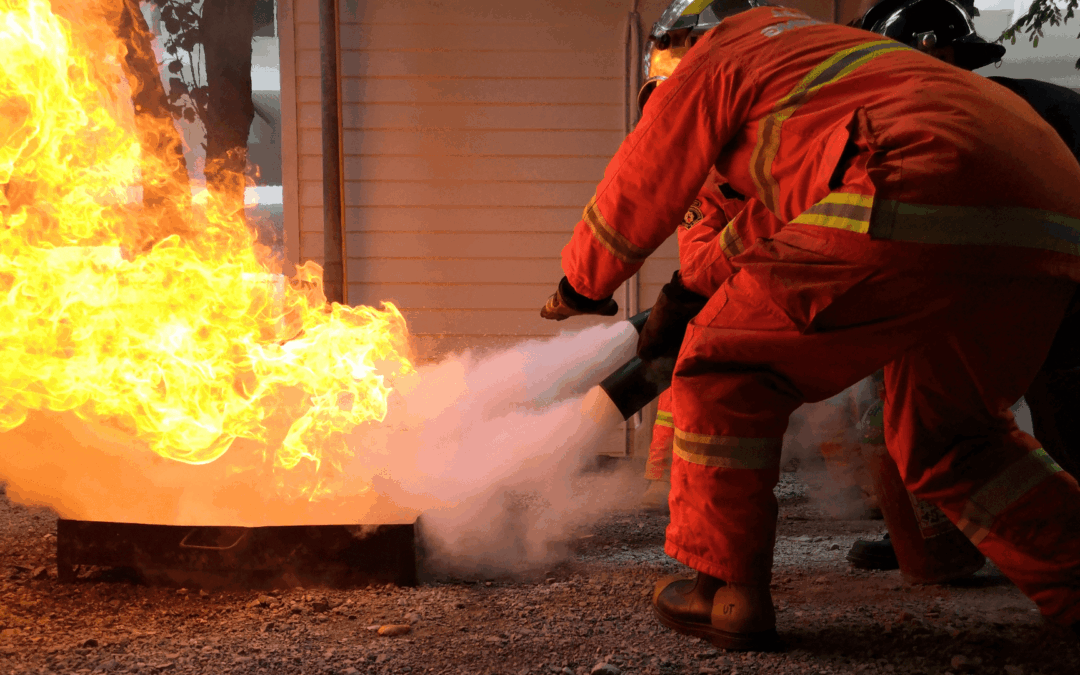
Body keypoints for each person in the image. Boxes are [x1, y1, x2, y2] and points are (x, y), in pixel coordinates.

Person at [539, 0, 1080, 651]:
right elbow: (766, 228)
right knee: (952, 437)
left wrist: (583, 282)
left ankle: (723, 589)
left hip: (920, 182)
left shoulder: (722, 58)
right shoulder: (819, 80)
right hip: (1050, 219)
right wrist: (685, 293)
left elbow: (644, 173)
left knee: (726, 365)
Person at [845, 0, 1080, 575]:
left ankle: (1027, 550)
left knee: (1059, 412)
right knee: (945, 410)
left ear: (938, 55)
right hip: (1020, 280)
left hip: (1057, 284)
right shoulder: (1003, 105)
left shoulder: (978, 117)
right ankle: (953, 537)